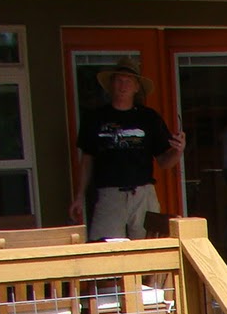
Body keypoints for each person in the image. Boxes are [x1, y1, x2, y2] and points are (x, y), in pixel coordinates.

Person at [70, 57, 185, 241]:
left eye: (129, 80)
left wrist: (178, 151)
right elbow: (87, 159)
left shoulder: (149, 118)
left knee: (149, 249)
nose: (123, 85)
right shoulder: (95, 118)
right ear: (111, 84)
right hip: (109, 195)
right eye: (119, 80)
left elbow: (164, 161)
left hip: (142, 194)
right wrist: (79, 196)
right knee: (106, 250)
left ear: (137, 87)